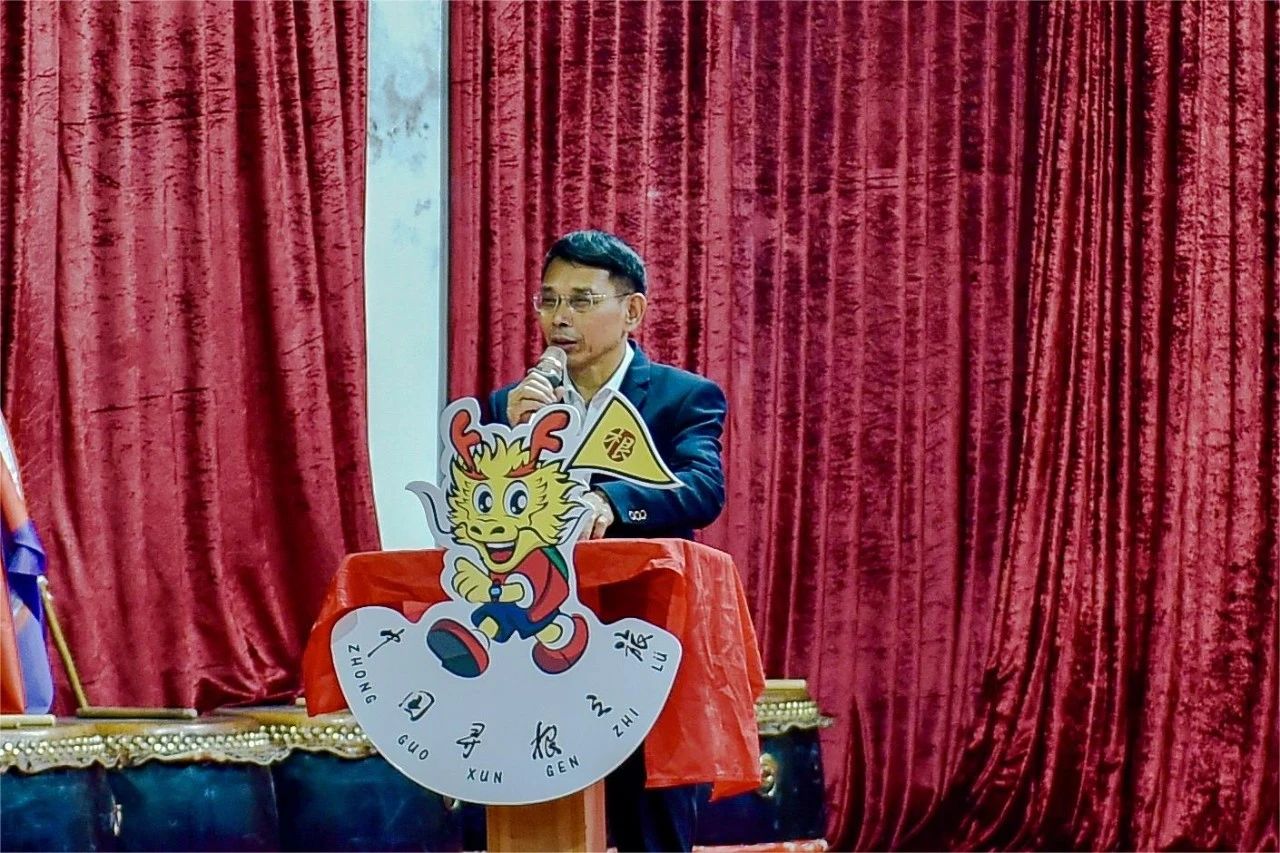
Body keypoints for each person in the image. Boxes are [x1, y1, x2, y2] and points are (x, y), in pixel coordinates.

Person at [488, 229, 727, 852]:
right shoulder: (509, 404)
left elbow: (702, 490)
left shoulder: (681, 397)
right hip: (537, 639)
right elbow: (479, 512)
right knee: (537, 810)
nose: (559, 318)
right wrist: (510, 442)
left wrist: (613, 502)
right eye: (548, 300)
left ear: (632, 311)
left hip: (640, 641)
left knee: (648, 823)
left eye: (581, 300)